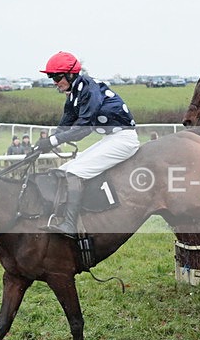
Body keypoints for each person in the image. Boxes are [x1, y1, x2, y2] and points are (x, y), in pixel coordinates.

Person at [36, 51, 140, 235]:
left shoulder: (89, 89)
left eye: (57, 77)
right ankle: (61, 216)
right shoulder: (73, 93)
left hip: (124, 139)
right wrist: (43, 144)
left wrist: (53, 140)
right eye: (52, 77)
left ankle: (70, 225)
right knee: (65, 169)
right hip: (111, 138)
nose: (54, 82)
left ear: (70, 74)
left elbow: (84, 128)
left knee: (76, 172)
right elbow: (65, 125)